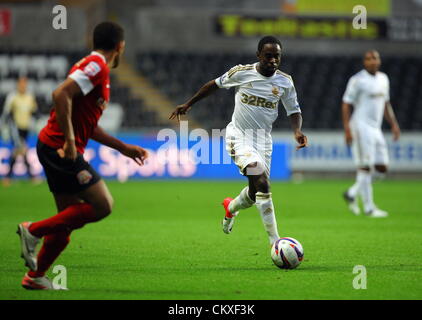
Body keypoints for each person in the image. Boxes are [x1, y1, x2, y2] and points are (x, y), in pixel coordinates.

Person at [17, 21, 148, 290]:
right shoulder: (97, 66)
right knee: (103, 205)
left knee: (65, 224)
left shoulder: (94, 67)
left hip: (54, 146)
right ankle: (33, 230)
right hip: (60, 148)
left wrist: (123, 148)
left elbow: (88, 123)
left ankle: (36, 276)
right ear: (120, 46)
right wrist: (69, 141)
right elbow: (60, 94)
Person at [170, 36, 307, 245]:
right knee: (260, 178)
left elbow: (294, 109)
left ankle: (231, 208)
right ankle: (275, 243)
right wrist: (189, 104)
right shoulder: (241, 73)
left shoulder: (285, 82)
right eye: (268, 56)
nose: (272, 60)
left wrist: (297, 130)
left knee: (255, 192)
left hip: (263, 141)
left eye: (276, 56)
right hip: (239, 136)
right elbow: (213, 85)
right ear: (258, 55)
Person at [342, 50, 400, 218]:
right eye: (369, 59)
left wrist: (394, 124)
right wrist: (347, 129)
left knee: (382, 168)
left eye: (375, 58)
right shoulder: (357, 80)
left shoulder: (384, 78)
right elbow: (346, 104)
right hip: (360, 127)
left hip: (376, 129)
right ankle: (369, 208)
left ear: (379, 61)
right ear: (364, 62)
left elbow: (386, 103)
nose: (372, 61)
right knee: (365, 167)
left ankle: (352, 192)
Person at [1, 77, 38, 186]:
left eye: (24, 84)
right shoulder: (13, 97)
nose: (23, 86)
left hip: (25, 128)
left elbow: (34, 111)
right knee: (22, 150)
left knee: (18, 152)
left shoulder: (29, 97)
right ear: (18, 85)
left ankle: (8, 177)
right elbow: (7, 113)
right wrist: (6, 127)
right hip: (15, 129)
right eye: (21, 84)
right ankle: (31, 176)